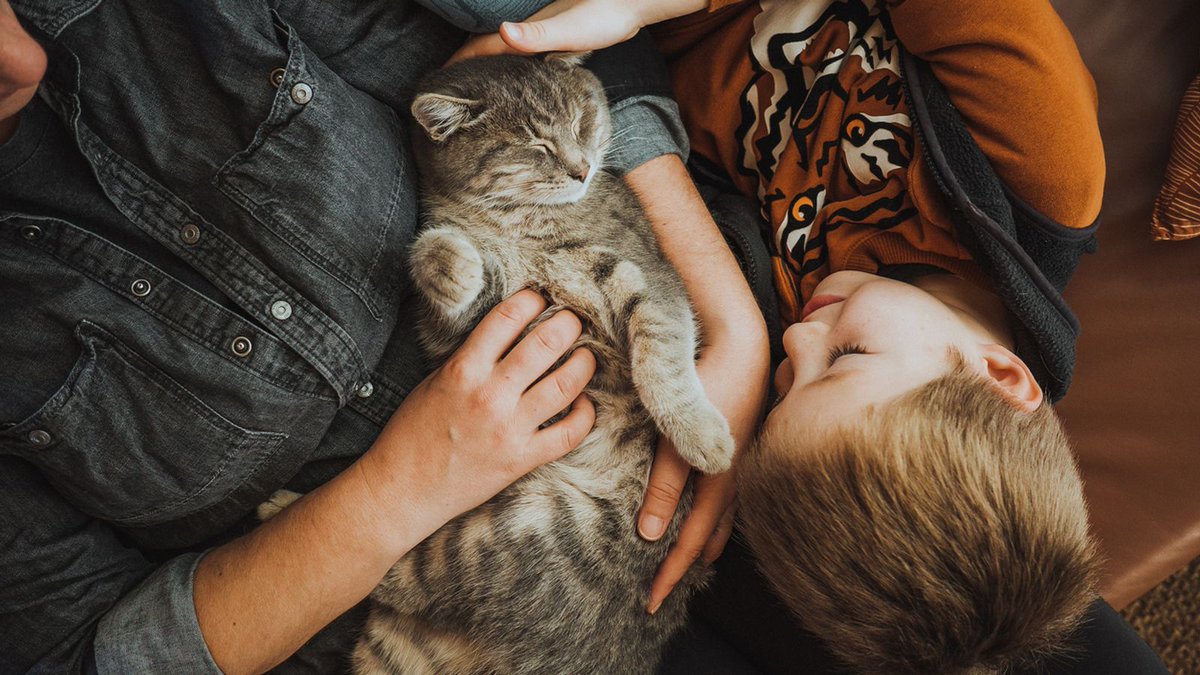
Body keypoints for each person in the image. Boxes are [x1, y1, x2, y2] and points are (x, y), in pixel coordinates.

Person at [0, 0, 770, 671]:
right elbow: (88, 658)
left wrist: (733, 327)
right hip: (415, 618)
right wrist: (391, 497)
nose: (13, 49)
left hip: (664, 449)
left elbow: (561, 29)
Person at [466, 0, 1171, 672]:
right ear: (1002, 375)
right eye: (844, 358)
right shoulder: (1040, 162)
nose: (799, 341)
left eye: (783, 385)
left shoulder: (803, 311)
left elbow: (624, 129)